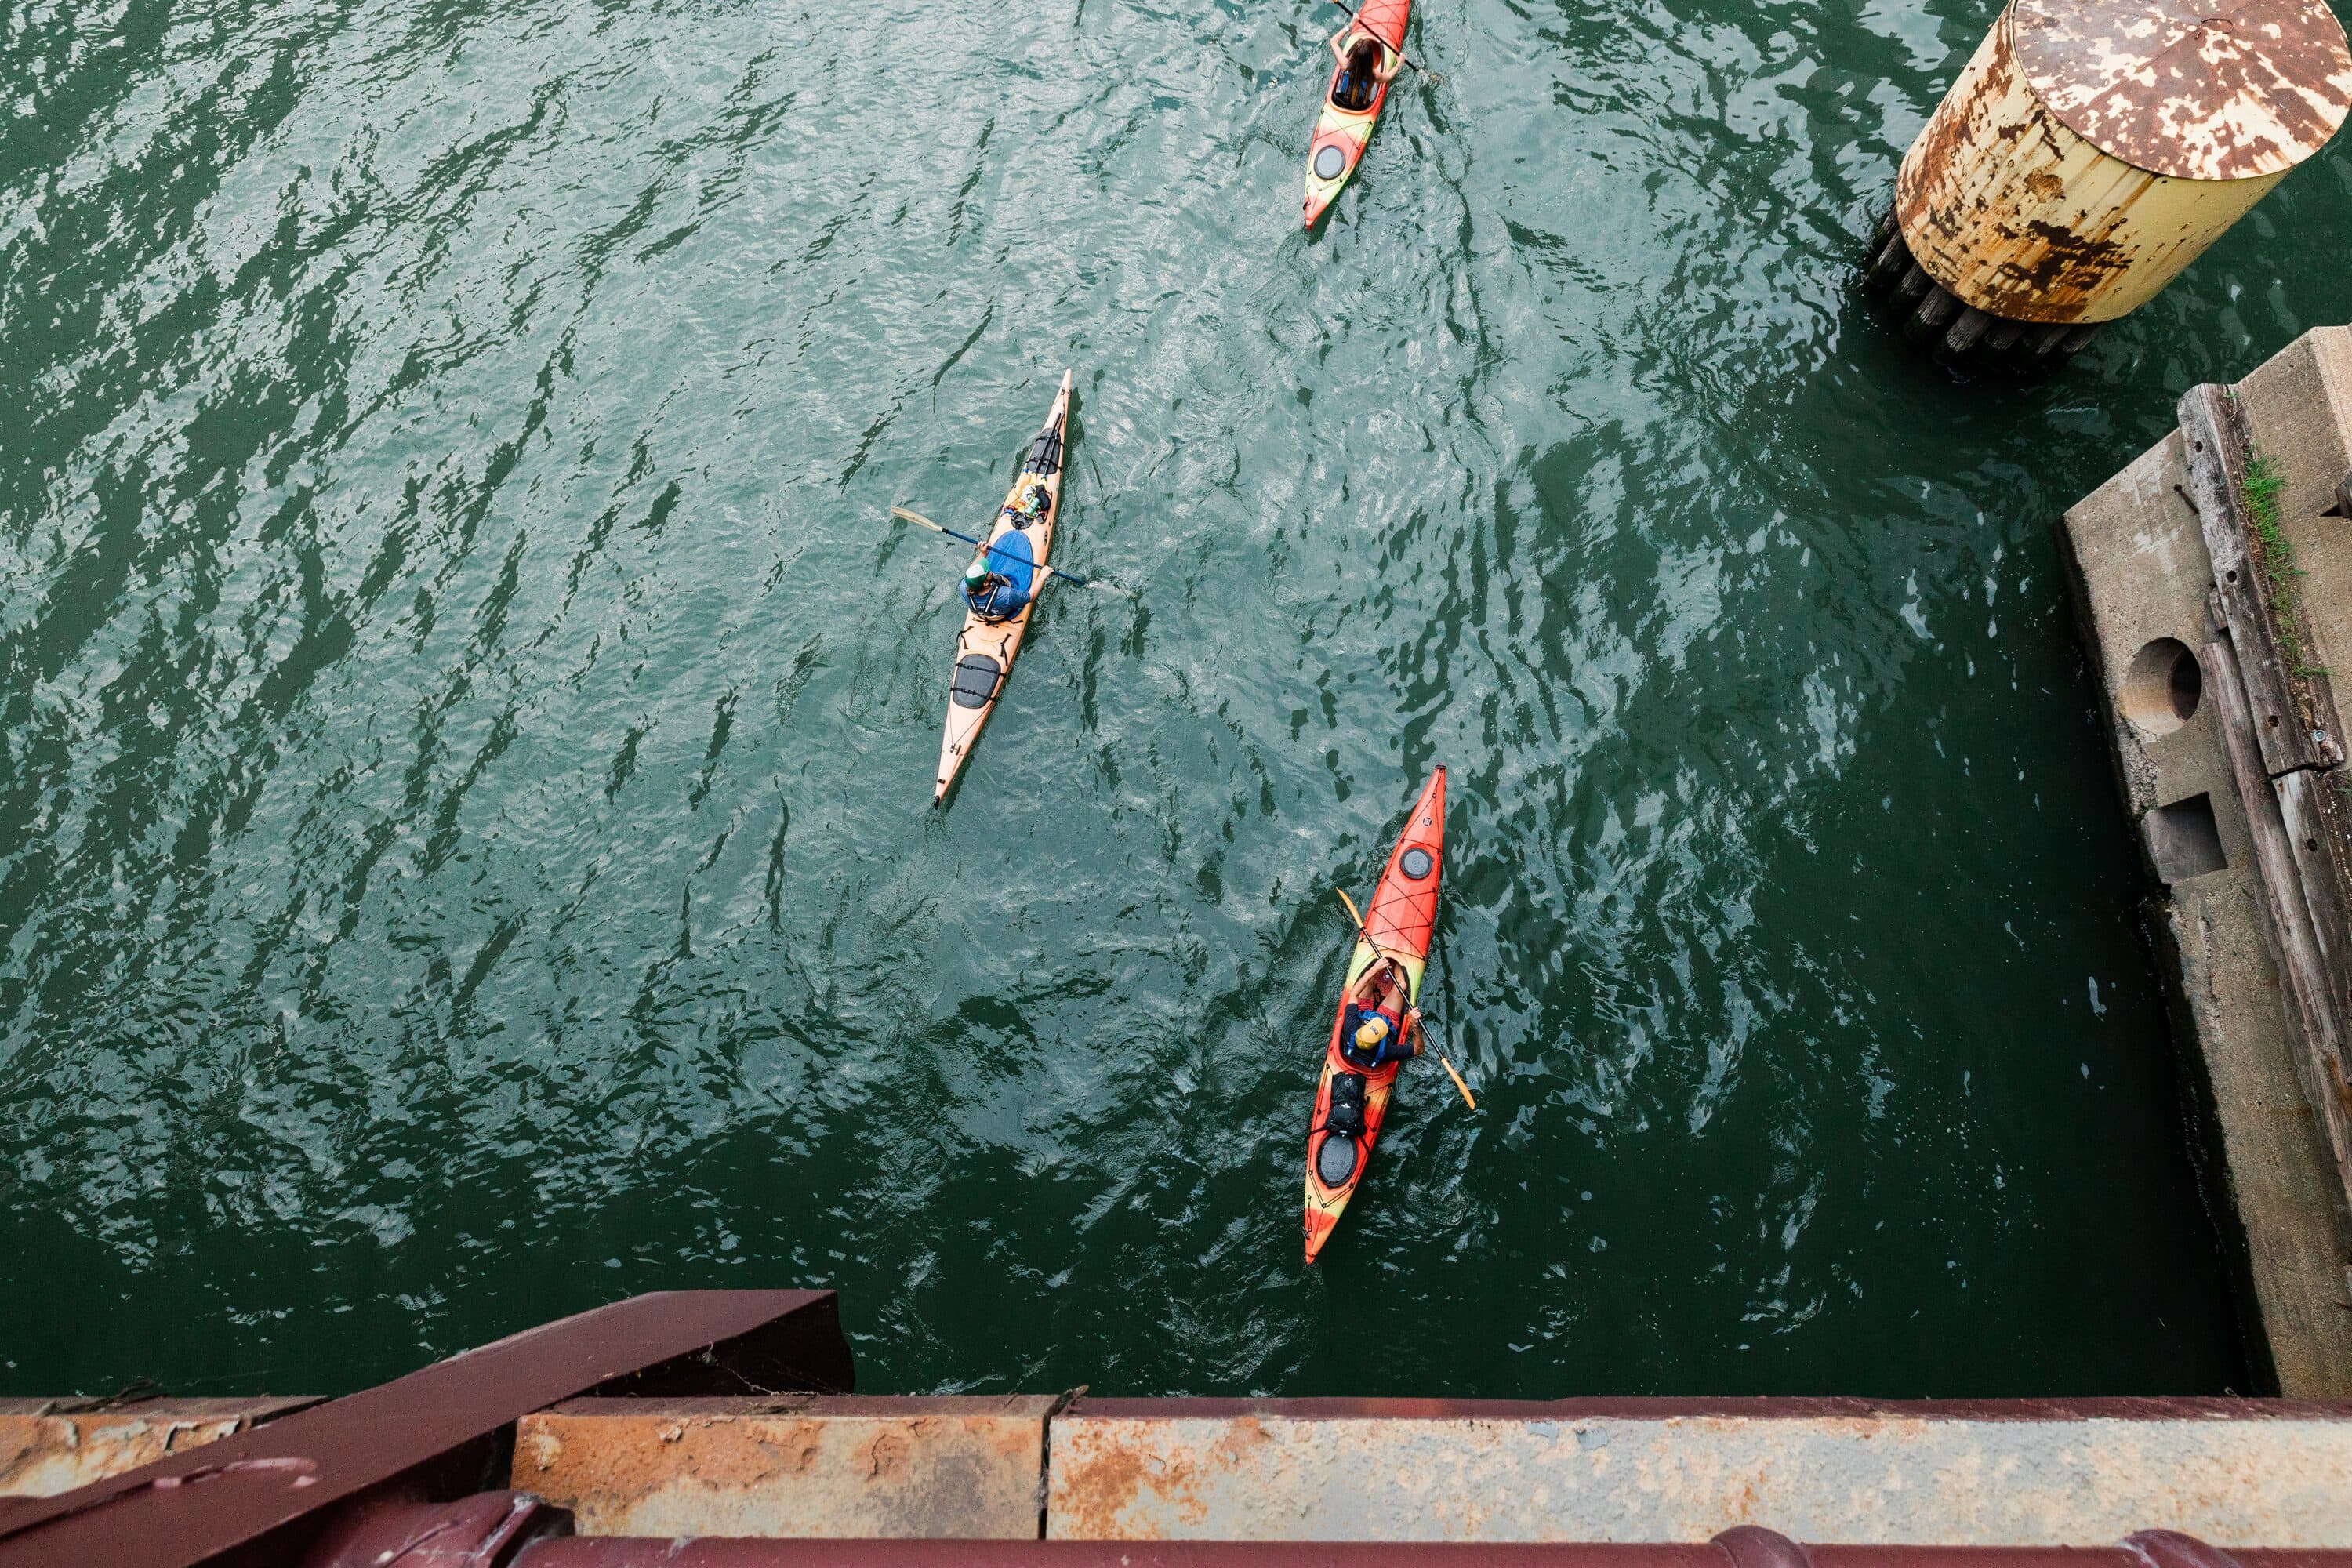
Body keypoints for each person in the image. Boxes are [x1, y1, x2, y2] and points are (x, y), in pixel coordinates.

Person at [1338, 954, 1422, 1069]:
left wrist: (1374, 970)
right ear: (1378, 1041)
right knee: (1401, 986)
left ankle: (1380, 964)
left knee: (1368, 976)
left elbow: (1354, 993)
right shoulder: (1386, 1051)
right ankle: (1400, 958)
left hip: (1364, 1011)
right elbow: (1418, 1049)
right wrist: (1414, 1025)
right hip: (1388, 1019)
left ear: (1363, 1026)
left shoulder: (1351, 1028)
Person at [1328, 27, 1399, 113]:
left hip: (1340, 100)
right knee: (1375, 83)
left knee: (1343, 76)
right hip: (1361, 106)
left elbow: (1333, 41)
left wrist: (1350, 26)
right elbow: (1389, 76)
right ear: (1370, 59)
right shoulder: (1374, 75)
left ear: (1353, 56)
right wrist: (1399, 65)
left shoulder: (1345, 65)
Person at [963, 555, 1029, 622]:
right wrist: (1040, 575)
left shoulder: (963, 587)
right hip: (1004, 614)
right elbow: (1031, 597)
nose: (990, 571)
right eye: (988, 572)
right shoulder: (1006, 595)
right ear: (985, 583)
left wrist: (983, 553)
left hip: (985, 615)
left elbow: (969, 573)